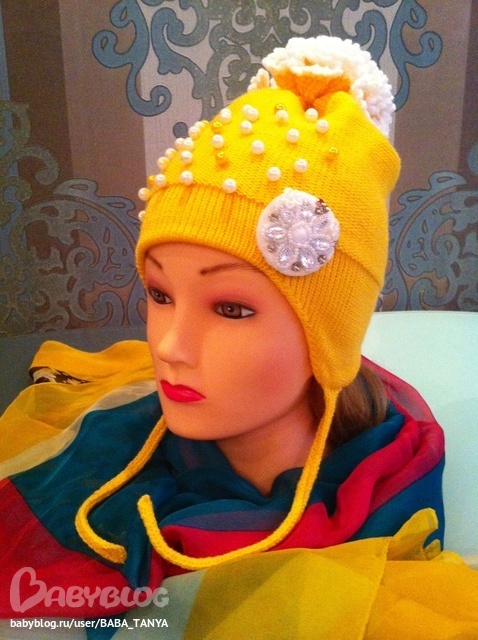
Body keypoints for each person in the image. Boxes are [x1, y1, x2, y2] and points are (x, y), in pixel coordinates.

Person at [0, 35, 477, 638]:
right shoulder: (114, 463)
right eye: (160, 294)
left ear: (330, 333)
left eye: (230, 308)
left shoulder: (388, 499)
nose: (169, 347)